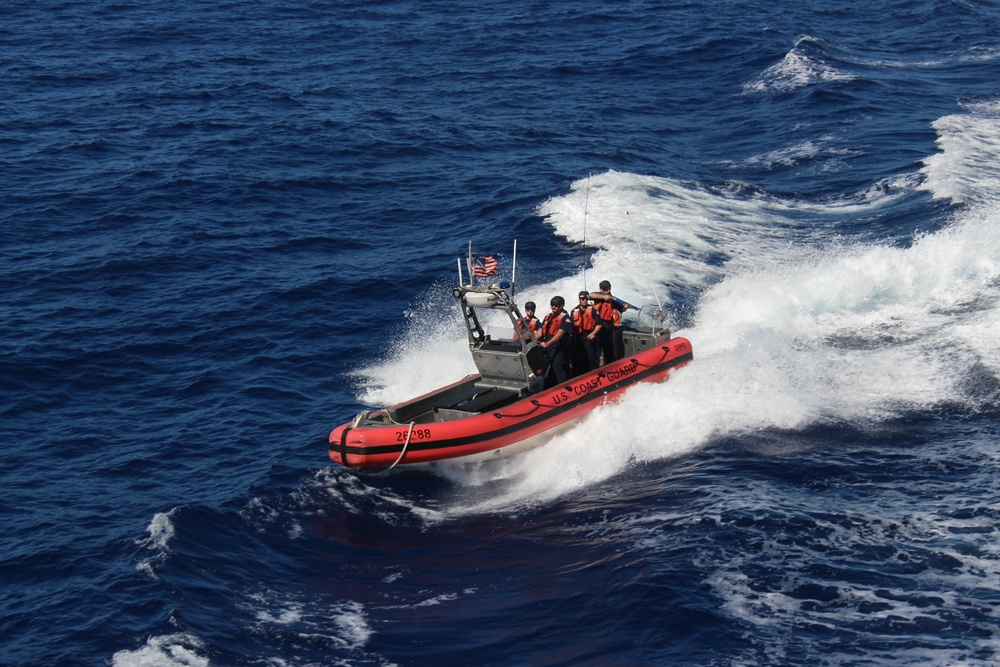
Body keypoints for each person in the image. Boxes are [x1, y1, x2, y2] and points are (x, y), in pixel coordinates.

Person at [589, 280, 627, 364]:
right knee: (596, 351)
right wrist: (603, 297)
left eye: (609, 289)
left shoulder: (612, 299)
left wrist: (624, 308)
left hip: (608, 327)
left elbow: (621, 309)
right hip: (597, 327)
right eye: (606, 290)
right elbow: (590, 295)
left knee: (609, 351)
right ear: (601, 289)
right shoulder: (598, 296)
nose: (608, 291)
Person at [537, 296, 572, 386]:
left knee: (558, 368)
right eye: (552, 305)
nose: (553, 307)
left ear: (561, 306)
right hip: (548, 350)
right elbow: (540, 332)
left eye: (556, 305)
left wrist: (547, 344)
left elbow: (559, 335)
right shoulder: (548, 317)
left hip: (559, 349)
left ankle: (564, 388)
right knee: (548, 370)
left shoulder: (566, 319)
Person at [570, 291, 600, 374]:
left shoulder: (593, 310)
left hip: (589, 336)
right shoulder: (574, 311)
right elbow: (571, 325)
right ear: (579, 299)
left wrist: (593, 333)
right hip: (578, 337)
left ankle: (594, 373)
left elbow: (599, 324)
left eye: (586, 299)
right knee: (580, 358)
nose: (585, 300)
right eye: (583, 299)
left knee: (591, 357)